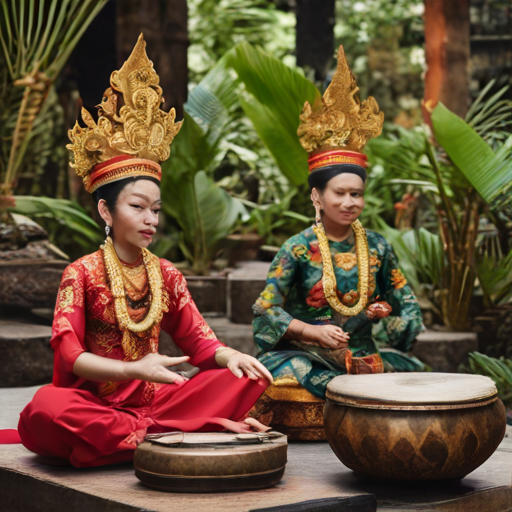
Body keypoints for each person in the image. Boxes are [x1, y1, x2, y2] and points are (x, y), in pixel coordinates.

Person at [2, 35, 272, 468]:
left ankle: (147, 434)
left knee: (242, 377)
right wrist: (134, 369)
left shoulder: (166, 273)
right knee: (45, 409)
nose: (151, 219)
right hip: (96, 403)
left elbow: (199, 342)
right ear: (106, 209)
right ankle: (168, 434)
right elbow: (70, 357)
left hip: (161, 396)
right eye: (138, 207)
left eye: (157, 209)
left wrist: (231, 355)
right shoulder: (82, 273)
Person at [252, 46, 424, 399]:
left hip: (362, 356)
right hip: (305, 354)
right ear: (317, 197)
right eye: (340, 193)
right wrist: (311, 333)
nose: (349, 202)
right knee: (317, 379)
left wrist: (393, 318)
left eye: (356, 194)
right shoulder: (297, 248)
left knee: (417, 377)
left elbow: (405, 302)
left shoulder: (377, 246)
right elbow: (264, 309)